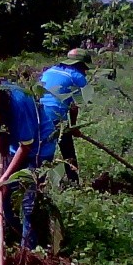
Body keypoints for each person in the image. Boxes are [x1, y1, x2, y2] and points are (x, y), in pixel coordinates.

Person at [0, 66, 56, 265]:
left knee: (28, 201)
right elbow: (4, 126)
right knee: (5, 197)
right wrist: (2, 145)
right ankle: (14, 235)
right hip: (19, 145)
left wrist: (6, 177)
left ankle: (28, 254)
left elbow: (27, 146)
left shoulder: (18, 100)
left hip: (39, 149)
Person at [39, 48, 90, 183]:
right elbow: (74, 106)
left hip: (37, 112)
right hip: (55, 116)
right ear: (80, 65)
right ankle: (42, 183)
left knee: (40, 147)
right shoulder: (78, 77)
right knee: (58, 150)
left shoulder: (50, 71)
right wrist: (73, 126)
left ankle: (71, 180)